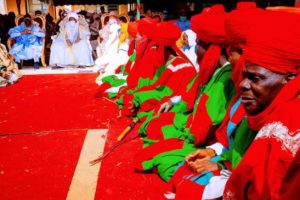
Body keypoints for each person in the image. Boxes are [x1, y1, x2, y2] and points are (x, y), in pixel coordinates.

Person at [134, 4, 235, 183]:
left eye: (199, 44)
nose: (195, 50)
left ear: (211, 48)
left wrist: (184, 134)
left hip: (201, 139)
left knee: (164, 163)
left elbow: (206, 124)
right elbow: (189, 95)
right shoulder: (212, 71)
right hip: (191, 126)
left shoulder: (224, 78)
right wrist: (173, 103)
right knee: (153, 129)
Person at [223, 8, 300, 199]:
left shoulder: (288, 121)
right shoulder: (264, 109)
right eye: (244, 76)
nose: (242, 85)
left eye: (255, 78)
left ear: (290, 79)